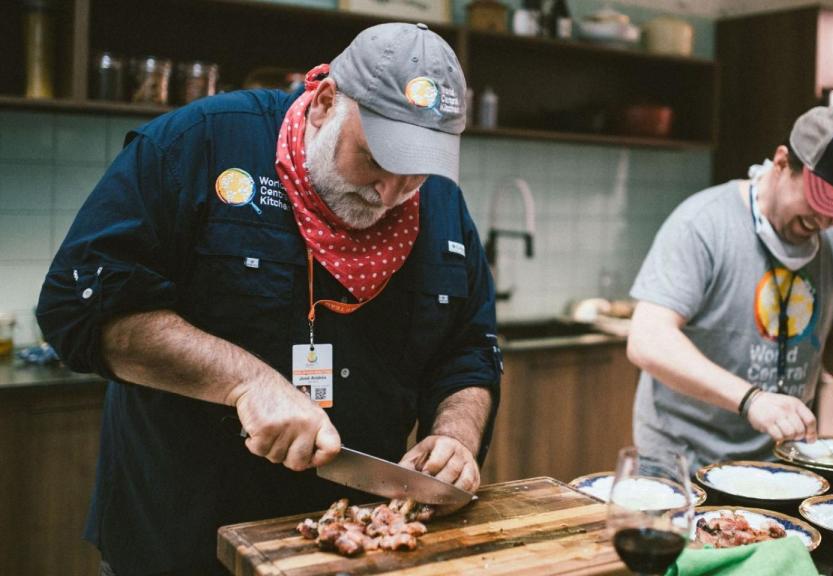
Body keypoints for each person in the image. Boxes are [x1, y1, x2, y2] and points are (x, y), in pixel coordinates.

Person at [36, 22, 500, 575]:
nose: (389, 193)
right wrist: (246, 383)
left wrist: (455, 435)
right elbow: (84, 307)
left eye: (416, 173)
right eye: (376, 159)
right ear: (327, 101)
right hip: (182, 540)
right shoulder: (202, 142)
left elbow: (467, 346)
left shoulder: (442, 206)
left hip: (355, 546)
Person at [626, 105, 833, 477]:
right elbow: (647, 339)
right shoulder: (704, 225)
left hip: (776, 464)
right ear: (783, 162)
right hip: (682, 462)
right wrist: (750, 400)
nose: (823, 221)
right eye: (820, 201)